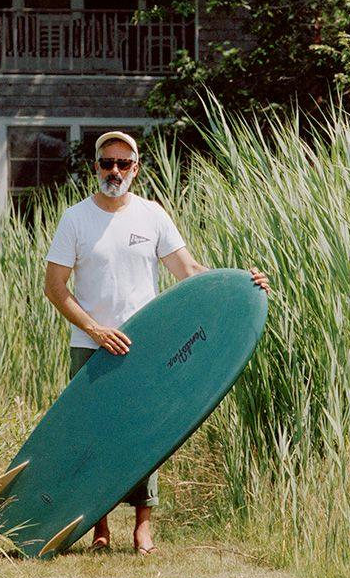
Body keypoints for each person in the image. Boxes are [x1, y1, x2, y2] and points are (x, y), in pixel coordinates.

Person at [42, 130, 270, 555]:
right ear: (96, 166)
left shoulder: (152, 216)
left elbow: (189, 270)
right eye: (107, 162)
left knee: (146, 432)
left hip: (145, 342)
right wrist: (94, 329)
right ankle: (99, 529)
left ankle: (143, 528)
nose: (115, 171)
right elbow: (54, 287)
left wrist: (243, 284)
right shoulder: (75, 219)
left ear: (136, 169)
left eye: (123, 164)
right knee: (94, 435)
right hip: (92, 344)